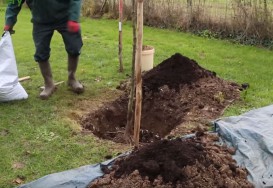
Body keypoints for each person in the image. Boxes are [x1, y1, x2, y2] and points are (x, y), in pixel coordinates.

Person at [4, 0, 84, 99]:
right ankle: (49, 84)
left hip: (65, 18)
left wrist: (73, 18)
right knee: (41, 52)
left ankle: (72, 79)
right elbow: (15, 2)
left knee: (74, 47)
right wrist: (9, 22)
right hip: (41, 21)